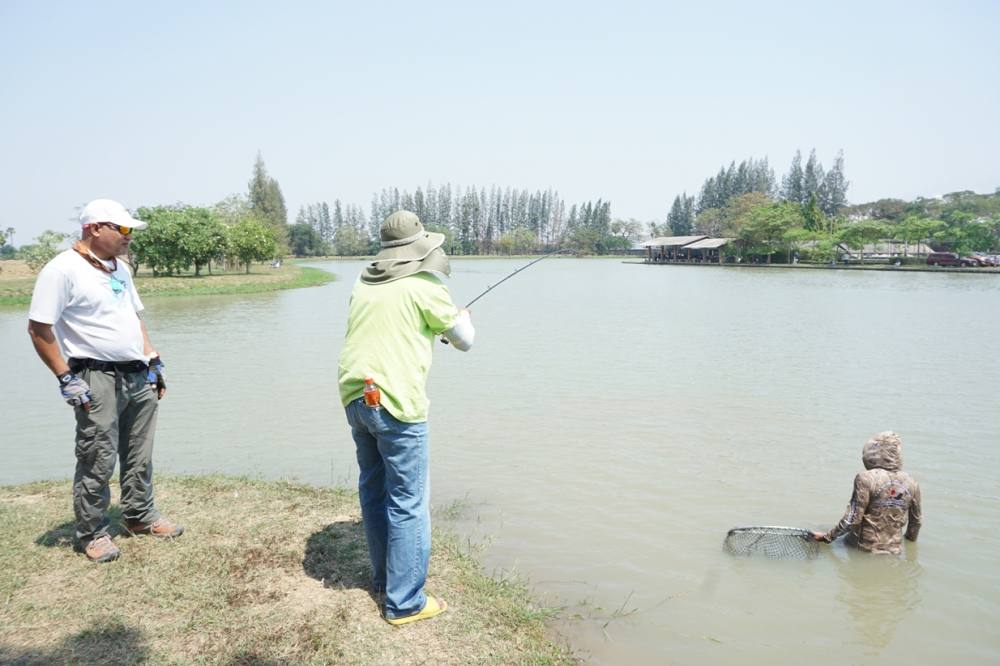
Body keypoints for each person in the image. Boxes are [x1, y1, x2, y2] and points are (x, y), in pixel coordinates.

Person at [27, 199, 184, 563]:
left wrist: (153, 360)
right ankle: (93, 532)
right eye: (122, 229)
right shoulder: (61, 270)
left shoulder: (120, 269)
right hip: (95, 375)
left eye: (130, 230)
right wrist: (66, 377)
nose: (129, 237)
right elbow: (38, 328)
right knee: (97, 454)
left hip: (137, 373)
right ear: (95, 228)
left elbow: (134, 317)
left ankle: (139, 516)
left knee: (139, 453)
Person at [337, 210, 474, 625]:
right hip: (397, 403)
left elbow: (390, 327)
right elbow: (465, 341)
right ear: (420, 247)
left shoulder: (364, 281)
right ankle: (406, 602)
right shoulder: (424, 284)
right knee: (409, 503)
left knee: (375, 491)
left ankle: (384, 581)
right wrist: (462, 319)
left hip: (355, 396)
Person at [812, 431, 921, 555]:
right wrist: (908, 548)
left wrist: (827, 537)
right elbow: (916, 524)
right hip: (894, 552)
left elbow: (852, 519)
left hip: (862, 548)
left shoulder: (865, 478)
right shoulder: (912, 482)